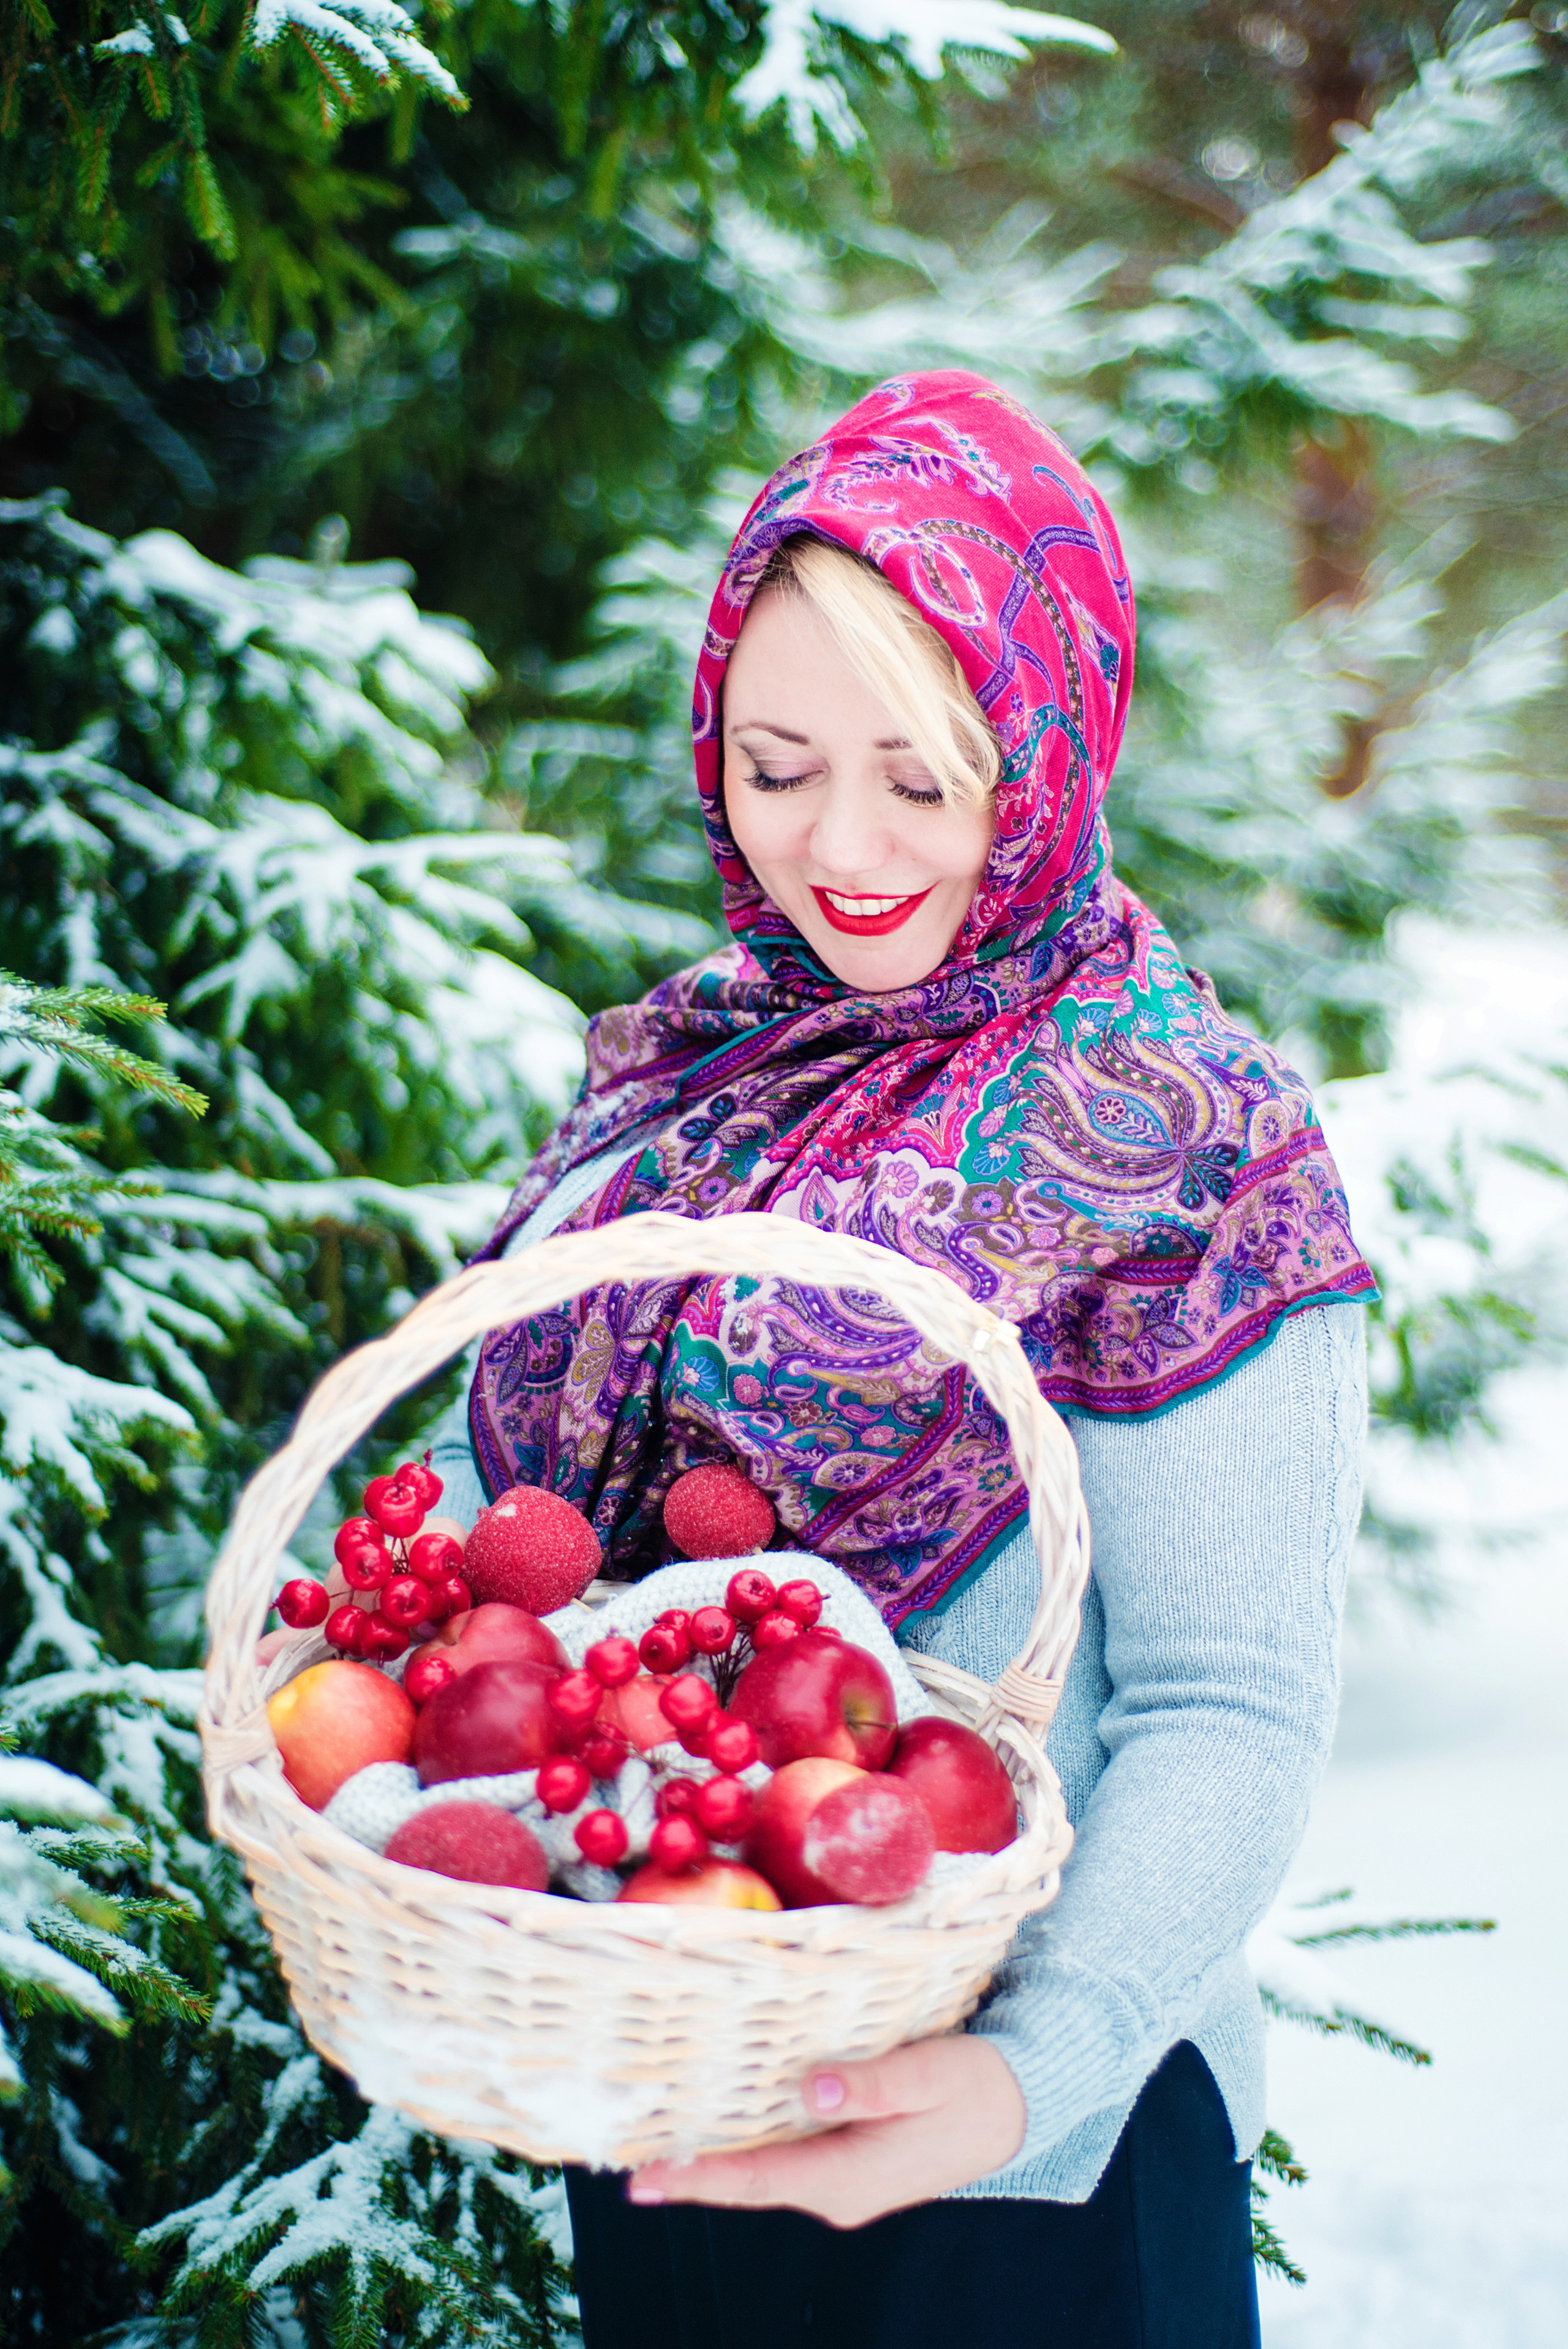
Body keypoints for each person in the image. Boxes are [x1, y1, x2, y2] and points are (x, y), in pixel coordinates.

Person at [425, 370, 1374, 2349]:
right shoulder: (685, 1082)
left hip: (1028, 2178)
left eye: (919, 778)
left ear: (1041, 745)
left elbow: (1231, 1699)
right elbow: (539, 1545)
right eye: (774, 768)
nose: (836, 847)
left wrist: (1027, 2076)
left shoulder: (1183, 1135)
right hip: (685, 2092)